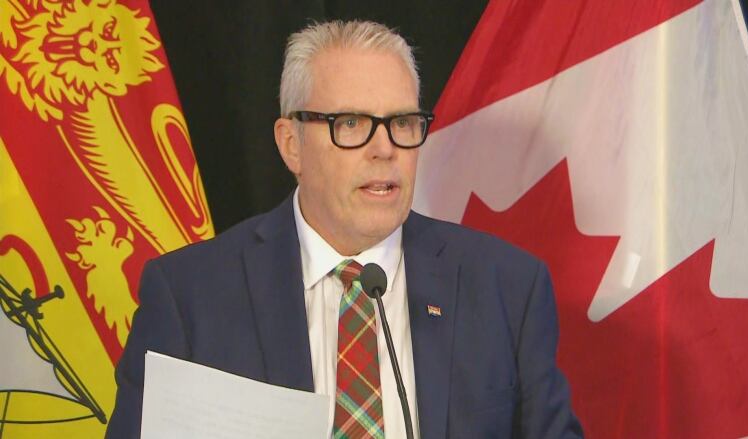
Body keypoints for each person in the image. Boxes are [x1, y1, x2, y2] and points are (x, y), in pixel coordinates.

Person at [106, 20, 582, 438]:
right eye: (351, 123)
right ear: (291, 145)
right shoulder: (191, 296)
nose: (385, 149)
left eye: (402, 122)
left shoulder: (507, 289)